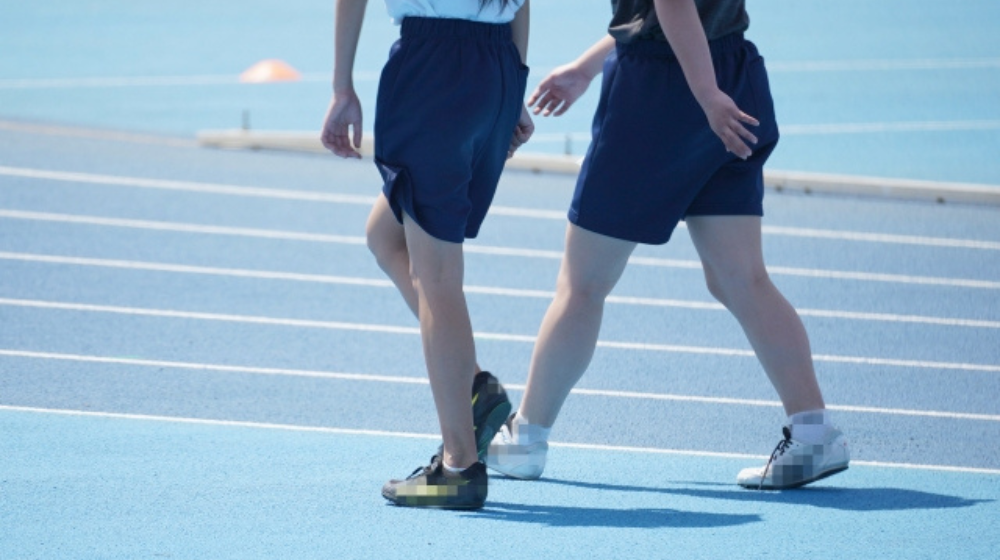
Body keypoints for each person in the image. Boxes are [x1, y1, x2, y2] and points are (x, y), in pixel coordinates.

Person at [486, 0, 850, 490]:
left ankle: (524, 441)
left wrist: (703, 95)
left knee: (583, 284)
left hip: (665, 91)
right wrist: (589, 66)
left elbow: (673, 5)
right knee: (740, 278)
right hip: (731, 70)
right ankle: (814, 431)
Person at [321, 0, 533, 508]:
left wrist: (341, 87)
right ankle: (475, 388)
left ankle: (459, 464)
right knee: (385, 234)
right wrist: (514, 89)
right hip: (495, 66)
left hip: (433, 67)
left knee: (437, 277)